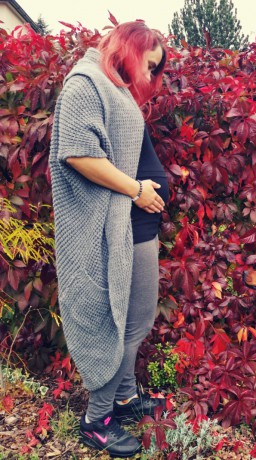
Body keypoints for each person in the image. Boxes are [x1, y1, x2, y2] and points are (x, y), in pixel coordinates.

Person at [49, 21, 169, 458]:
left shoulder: (115, 88)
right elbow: (78, 154)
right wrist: (137, 190)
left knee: (138, 319)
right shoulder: (86, 83)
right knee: (120, 323)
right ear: (129, 49)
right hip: (115, 224)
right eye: (149, 65)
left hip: (135, 224)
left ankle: (124, 398)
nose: (150, 76)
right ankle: (96, 421)